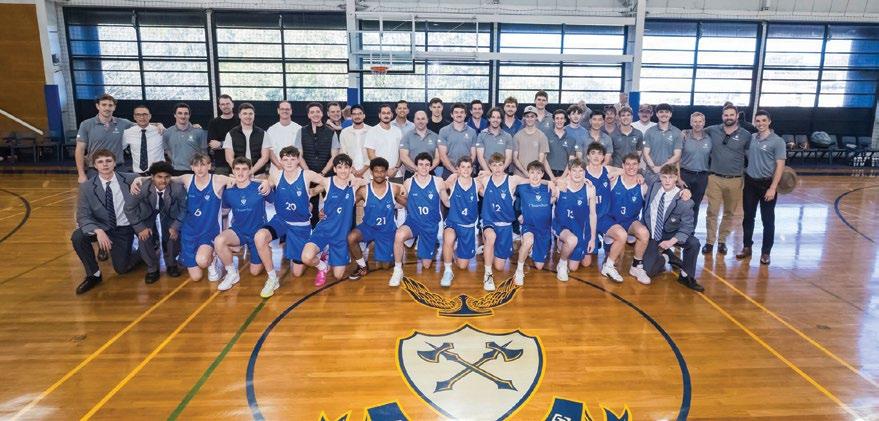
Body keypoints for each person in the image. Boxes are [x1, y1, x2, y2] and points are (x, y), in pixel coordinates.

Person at [252, 146, 324, 297]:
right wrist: (266, 184)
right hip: (282, 221)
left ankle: (319, 255)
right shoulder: (277, 175)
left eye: (292, 159)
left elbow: (327, 182)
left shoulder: (306, 174)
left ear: (298, 160)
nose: (289, 162)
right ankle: (272, 278)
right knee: (260, 237)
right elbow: (268, 182)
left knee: (297, 272)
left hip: (300, 226)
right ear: (281, 161)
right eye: (285, 159)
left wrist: (313, 191)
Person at [70, 149, 140, 294]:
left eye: (108, 161)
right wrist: (98, 230)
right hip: (101, 227)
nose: (105, 164)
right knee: (78, 236)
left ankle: (142, 253)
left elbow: (152, 179)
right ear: (95, 165)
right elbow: (82, 215)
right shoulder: (87, 187)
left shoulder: (130, 178)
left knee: (121, 269)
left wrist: (141, 180)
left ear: (115, 163)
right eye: (100, 162)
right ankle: (94, 275)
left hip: (123, 228)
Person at [300, 154, 367, 286]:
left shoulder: (354, 184)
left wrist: (357, 179)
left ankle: (327, 252)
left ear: (351, 169)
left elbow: (371, 182)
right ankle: (322, 266)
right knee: (306, 257)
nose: (343, 170)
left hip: (340, 236)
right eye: (339, 167)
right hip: (324, 231)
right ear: (335, 169)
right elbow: (310, 186)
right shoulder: (327, 182)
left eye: (346, 167)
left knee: (338, 276)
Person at [388, 152, 450, 287]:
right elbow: (401, 202)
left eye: (427, 165)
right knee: (399, 235)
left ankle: (424, 243)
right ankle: (398, 270)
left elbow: (446, 202)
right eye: (421, 164)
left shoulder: (438, 181)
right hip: (413, 222)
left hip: (430, 225)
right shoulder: (408, 182)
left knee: (426, 265)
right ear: (416, 166)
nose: (424, 167)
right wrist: (390, 201)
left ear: (431, 166)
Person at [478, 153, 539, 290]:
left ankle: (488, 248)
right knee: (491, 237)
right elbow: (467, 181)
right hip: (489, 221)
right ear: (490, 166)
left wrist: (552, 183)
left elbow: (533, 180)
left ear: (504, 165)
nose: (497, 168)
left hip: (505, 226)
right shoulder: (485, 179)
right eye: (494, 165)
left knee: (499, 267)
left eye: (500, 165)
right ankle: (487, 275)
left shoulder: (513, 179)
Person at [214, 157, 274, 291]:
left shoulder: (259, 187)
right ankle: (232, 274)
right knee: (219, 241)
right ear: (233, 171)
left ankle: (266, 248)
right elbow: (224, 213)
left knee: (255, 272)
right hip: (239, 231)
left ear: (250, 171)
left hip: (257, 234)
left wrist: (267, 183)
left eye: (244, 169)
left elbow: (274, 201)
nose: (240, 173)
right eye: (237, 169)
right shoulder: (228, 192)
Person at [640, 164, 703, 292]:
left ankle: (686, 276)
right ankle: (667, 257)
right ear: (660, 177)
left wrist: (671, 242)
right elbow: (637, 169)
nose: (667, 181)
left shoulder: (684, 201)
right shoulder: (654, 185)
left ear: (676, 178)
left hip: (671, 234)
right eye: (664, 177)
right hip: (653, 233)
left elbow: (687, 227)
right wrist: (638, 175)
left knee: (694, 243)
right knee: (648, 271)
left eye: (671, 177)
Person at [736, 110, 786, 266]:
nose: (760, 123)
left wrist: (773, 188)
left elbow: (780, 166)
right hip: (750, 183)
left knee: (768, 220)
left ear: (769, 121)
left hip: (767, 185)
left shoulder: (778, 141)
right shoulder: (751, 138)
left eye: (764, 120)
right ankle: (747, 247)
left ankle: (766, 252)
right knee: (748, 217)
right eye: (758, 121)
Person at [702, 103, 752, 255]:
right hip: (715, 178)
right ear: (722, 116)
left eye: (731, 115)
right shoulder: (712, 130)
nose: (728, 117)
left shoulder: (746, 135)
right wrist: (684, 133)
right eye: (726, 115)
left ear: (737, 116)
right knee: (712, 212)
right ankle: (710, 242)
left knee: (729, 212)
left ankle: (722, 241)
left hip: (735, 179)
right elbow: (696, 131)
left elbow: (752, 155)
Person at [124, 161, 186, 284]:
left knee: (173, 235)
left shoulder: (177, 188)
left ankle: (171, 264)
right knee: (144, 237)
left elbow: (184, 208)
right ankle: (152, 268)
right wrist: (140, 228)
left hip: (169, 213)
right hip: (147, 214)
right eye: (159, 177)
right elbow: (129, 208)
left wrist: (175, 226)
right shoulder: (141, 188)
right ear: (152, 177)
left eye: (167, 177)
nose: (163, 180)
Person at [347, 157, 407, 280]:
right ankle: (362, 266)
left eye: (382, 171)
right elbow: (346, 204)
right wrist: (327, 211)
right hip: (368, 227)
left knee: (385, 266)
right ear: (371, 172)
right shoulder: (363, 190)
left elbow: (410, 204)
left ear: (386, 172)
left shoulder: (394, 188)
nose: (379, 174)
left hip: (387, 230)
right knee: (351, 237)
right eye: (376, 171)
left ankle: (378, 247)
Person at [599, 153, 651, 284]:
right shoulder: (614, 179)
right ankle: (608, 264)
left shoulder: (643, 186)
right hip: (610, 220)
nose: (631, 167)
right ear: (622, 165)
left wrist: (683, 192)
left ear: (639, 166)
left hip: (629, 222)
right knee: (617, 259)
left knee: (644, 233)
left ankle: (636, 267)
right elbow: (602, 171)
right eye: (628, 164)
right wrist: (622, 172)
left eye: (634, 164)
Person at [553, 159, 597, 281]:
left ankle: (564, 247)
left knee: (580, 265)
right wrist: (554, 184)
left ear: (585, 172)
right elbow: (549, 197)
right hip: (562, 226)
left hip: (579, 227)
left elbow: (593, 214)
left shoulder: (590, 188)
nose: (577, 174)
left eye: (580, 171)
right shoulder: (561, 185)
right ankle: (562, 264)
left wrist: (593, 238)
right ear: (569, 172)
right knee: (572, 240)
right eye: (574, 170)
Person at [76, 94, 138, 181]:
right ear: (98, 106)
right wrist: (81, 174)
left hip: (118, 168)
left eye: (110, 105)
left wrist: (157, 125)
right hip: (95, 170)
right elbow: (80, 150)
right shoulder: (86, 124)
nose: (107, 108)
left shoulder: (123, 123)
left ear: (114, 107)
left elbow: (143, 125)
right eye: (104, 105)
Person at [439, 157, 481, 288]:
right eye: (463, 167)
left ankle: (455, 251)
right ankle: (447, 271)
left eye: (468, 167)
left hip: (468, 226)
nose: (466, 170)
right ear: (458, 168)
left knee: (462, 266)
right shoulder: (453, 181)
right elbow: (439, 185)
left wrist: (487, 174)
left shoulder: (477, 184)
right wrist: (445, 199)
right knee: (448, 237)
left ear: (472, 169)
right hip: (453, 222)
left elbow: (490, 191)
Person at [514, 160, 556, 285]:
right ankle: (519, 270)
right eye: (532, 172)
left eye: (538, 173)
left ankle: (532, 250)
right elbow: (514, 201)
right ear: (528, 173)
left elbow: (564, 184)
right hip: (529, 225)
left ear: (542, 174)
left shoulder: (548, 188)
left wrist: (551, 183)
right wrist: (518, 214)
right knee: (528, 241)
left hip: (544, 229)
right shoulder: (522, 188)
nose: (535, 176)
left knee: (539, 266)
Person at [299, 102, 341, 226]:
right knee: (310, 209)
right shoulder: (301, 131)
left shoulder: (331, 132)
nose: (315, 114)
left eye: (318, 111)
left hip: (327, 175)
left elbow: (334, 156)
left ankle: (330, 232)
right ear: (308, 115)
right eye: (312, 112)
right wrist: (309, 173)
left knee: (331, 208)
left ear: (322, 114)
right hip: (308, 176)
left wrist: (322, 173)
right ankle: (312, 233)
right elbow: (299, 155)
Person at [680, 112, 711, 224]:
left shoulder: (709, 138)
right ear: (691, 123)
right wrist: (678, 178)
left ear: (704, 123)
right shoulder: (684, 136)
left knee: (696, 205)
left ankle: (691, 231)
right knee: (683, 204)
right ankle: (679, 231)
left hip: (702, 177)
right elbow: (677, 158)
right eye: (695, 121)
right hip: (685, 175)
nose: (697, 124)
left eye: (700, 121)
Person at [223, 103, 271, 176]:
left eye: (250, 114)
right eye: (245, 113)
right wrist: (240, 172)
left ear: (254, 115)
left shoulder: (263, 133)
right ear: (239, 115)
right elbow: (229, 158)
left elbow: (265, 158)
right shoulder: (231, 134)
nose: (248, 116)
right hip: (236, 175)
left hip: (258, 174)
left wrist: (251, 172)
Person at [642, 103, 682, 185]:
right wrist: (654, 168)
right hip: (651, 174)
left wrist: (661, 168)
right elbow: (645, 154)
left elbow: (677, 156)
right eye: (661, 112)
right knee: (650, 193)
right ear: (657, 114)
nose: (664, 114)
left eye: (666, 112)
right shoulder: (649, 131)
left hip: (669, 175)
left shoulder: (677, 132)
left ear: (670, 114)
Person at [164, 103, 208, 176]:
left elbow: (204, 153)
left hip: (195, 171)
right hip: (176, 171)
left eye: (186, 113)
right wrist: (176, 161)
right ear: (175, 115)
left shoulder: (199, 132)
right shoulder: (167, 132)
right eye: (180, 113)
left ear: (189, 115)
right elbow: (167, 150)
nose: (183, 116)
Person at [438, 102, 477, 178]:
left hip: (467, 172)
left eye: (462, 112)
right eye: (456, 112)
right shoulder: (444, 131)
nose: (459, 115)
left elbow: (473, 155)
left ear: (465, 114)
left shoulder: (472, 132)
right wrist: (454, 171)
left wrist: (465, 169)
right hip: (449, 172)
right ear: (451, 115)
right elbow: (442, 155)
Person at [122, 104, 164, 175]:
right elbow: (118, 149)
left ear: (150, 116)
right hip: (138, 175)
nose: (142, 117)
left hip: (158, 173)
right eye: (138, 114)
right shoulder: (127, 133)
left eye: (145, 114)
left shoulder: (160, 131)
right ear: (134, 117)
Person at [265, 101, 303, 179]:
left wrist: (292, 166)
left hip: (295, 171)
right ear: (278, 111)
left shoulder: (299, 129)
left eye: (287, 109)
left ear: (291, 111)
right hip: (276, 170)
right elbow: (270, 151)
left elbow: (300, 151)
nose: (285, 111)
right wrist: (279, 166)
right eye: (282, 109)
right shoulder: (271, 130)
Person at [513, 105, 553, 178]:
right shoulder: (517, 136)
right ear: (524, 118)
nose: (529, 119)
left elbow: (542, 158)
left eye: (532, 116)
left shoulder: (542, 136)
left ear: (536, 118)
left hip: (535, 177)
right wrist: (525, 172)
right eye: (527, 116)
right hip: (519, 177)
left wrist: (534, 173)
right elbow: (514, 158)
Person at [365, 104, 403, 179]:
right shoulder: (372, 131)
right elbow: (371, 155)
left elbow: (402, 152)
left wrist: (396, 168)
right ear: (379, 115)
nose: (386, 115)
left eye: (388, 113)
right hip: (378, 175)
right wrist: (385, 170)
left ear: (392, 115)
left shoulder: (398, 131)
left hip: (396, 174)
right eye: (383, 113)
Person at [399, 110, 440, 178]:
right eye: (418, 119)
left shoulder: (435, 136)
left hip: (430, 173)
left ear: (427, 120)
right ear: (414, 121)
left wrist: (428, 169)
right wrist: (417, 169)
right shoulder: (407, 136)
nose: (420, 121)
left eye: (423, 119)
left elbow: (438, 157)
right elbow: (403, 156)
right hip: (411, 174)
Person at [476, 107, 515, 174]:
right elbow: (480, 157)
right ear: (489, 119)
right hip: (485, 172)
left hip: (502, 173)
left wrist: (499, 171)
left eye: (498, 117)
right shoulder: (481, 135)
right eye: (493, 117)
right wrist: (488, 172)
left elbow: (509, 158)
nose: (495, 120)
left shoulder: (508, 136)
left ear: (501, 120)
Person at [207, 94, 238, 175]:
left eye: (227, 104)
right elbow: (212, 145)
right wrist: (233, 143)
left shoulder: (240, 121)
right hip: (221, 165)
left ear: (232, 104)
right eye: (223, 104)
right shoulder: (214, 123)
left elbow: (241, 142)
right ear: (219, 106)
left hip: (239, 163)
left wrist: (221, 144)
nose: (225, 106)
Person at [338, 104, 370, 178]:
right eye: (354, 114)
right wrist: (352, 170)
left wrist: (363, 170)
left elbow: (373, 153)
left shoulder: (371, 131)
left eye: (359, 113)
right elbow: (343, 153)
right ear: (351, 116)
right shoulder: (344, 132)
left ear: (364, 115)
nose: (357, 116)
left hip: (368, 172)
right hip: (350, 172)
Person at [546, 109, 578, 178]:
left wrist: (562, 178)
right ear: (553, 120)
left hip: (564, 174)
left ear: (565, 120)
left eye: (561, 118)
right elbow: (544, 158)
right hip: (548, 174)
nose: (559, 121)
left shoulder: (571, 139)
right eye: (557, 118)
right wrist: (552, 177)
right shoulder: (546, 136)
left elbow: (571, 160)